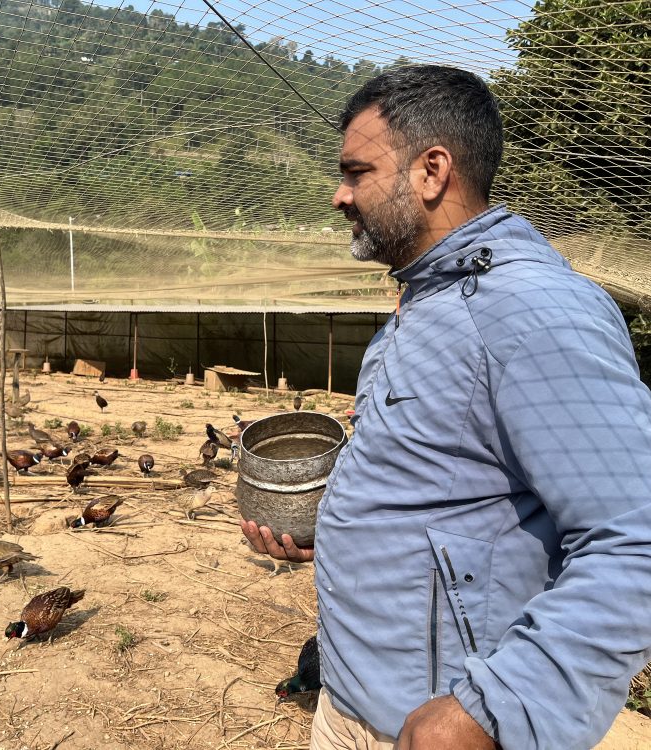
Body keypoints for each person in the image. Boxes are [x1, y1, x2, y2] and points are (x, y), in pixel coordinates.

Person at [242, 64, 651, 750]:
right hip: (352, 702)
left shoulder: (535, 312)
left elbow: (637, 540)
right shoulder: (420, 308)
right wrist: (341, 526)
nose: (339, 195)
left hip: (441, 725)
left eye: (355, 171)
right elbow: (438, 483)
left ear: (431, 171)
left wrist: (494, 712)